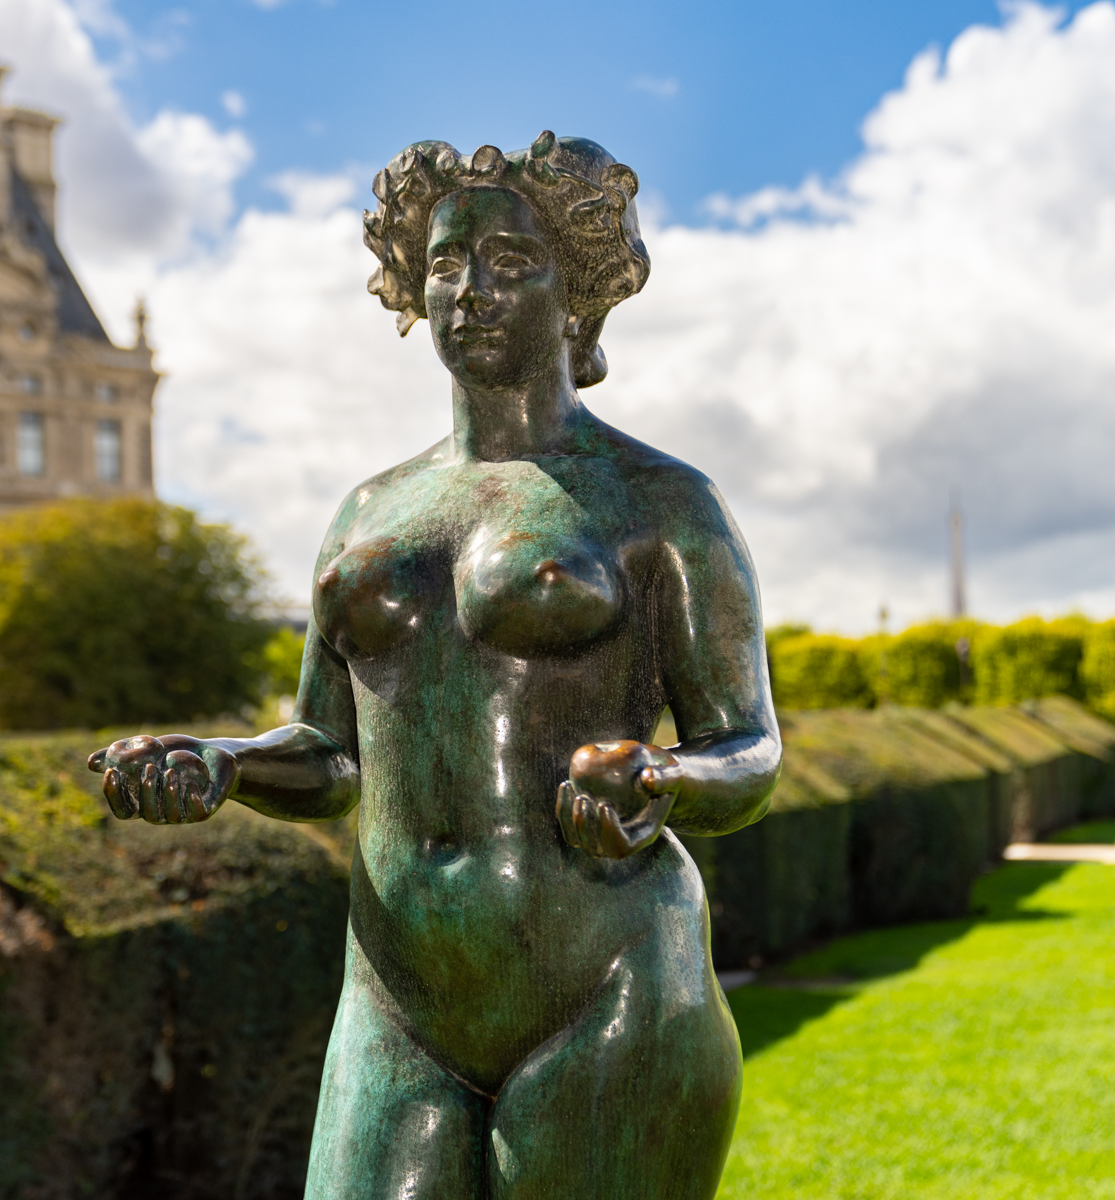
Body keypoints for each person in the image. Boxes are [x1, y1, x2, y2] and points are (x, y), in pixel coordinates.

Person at [89, 133, 781, 1199]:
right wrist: (223, 762)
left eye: (512, 261)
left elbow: (750, 748)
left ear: (581, 295)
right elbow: (329, 755)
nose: (471, 289)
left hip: (613, 983)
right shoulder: (370, 513)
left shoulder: (660, 502)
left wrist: (664, 779)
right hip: (400, 999)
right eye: (448, 265)